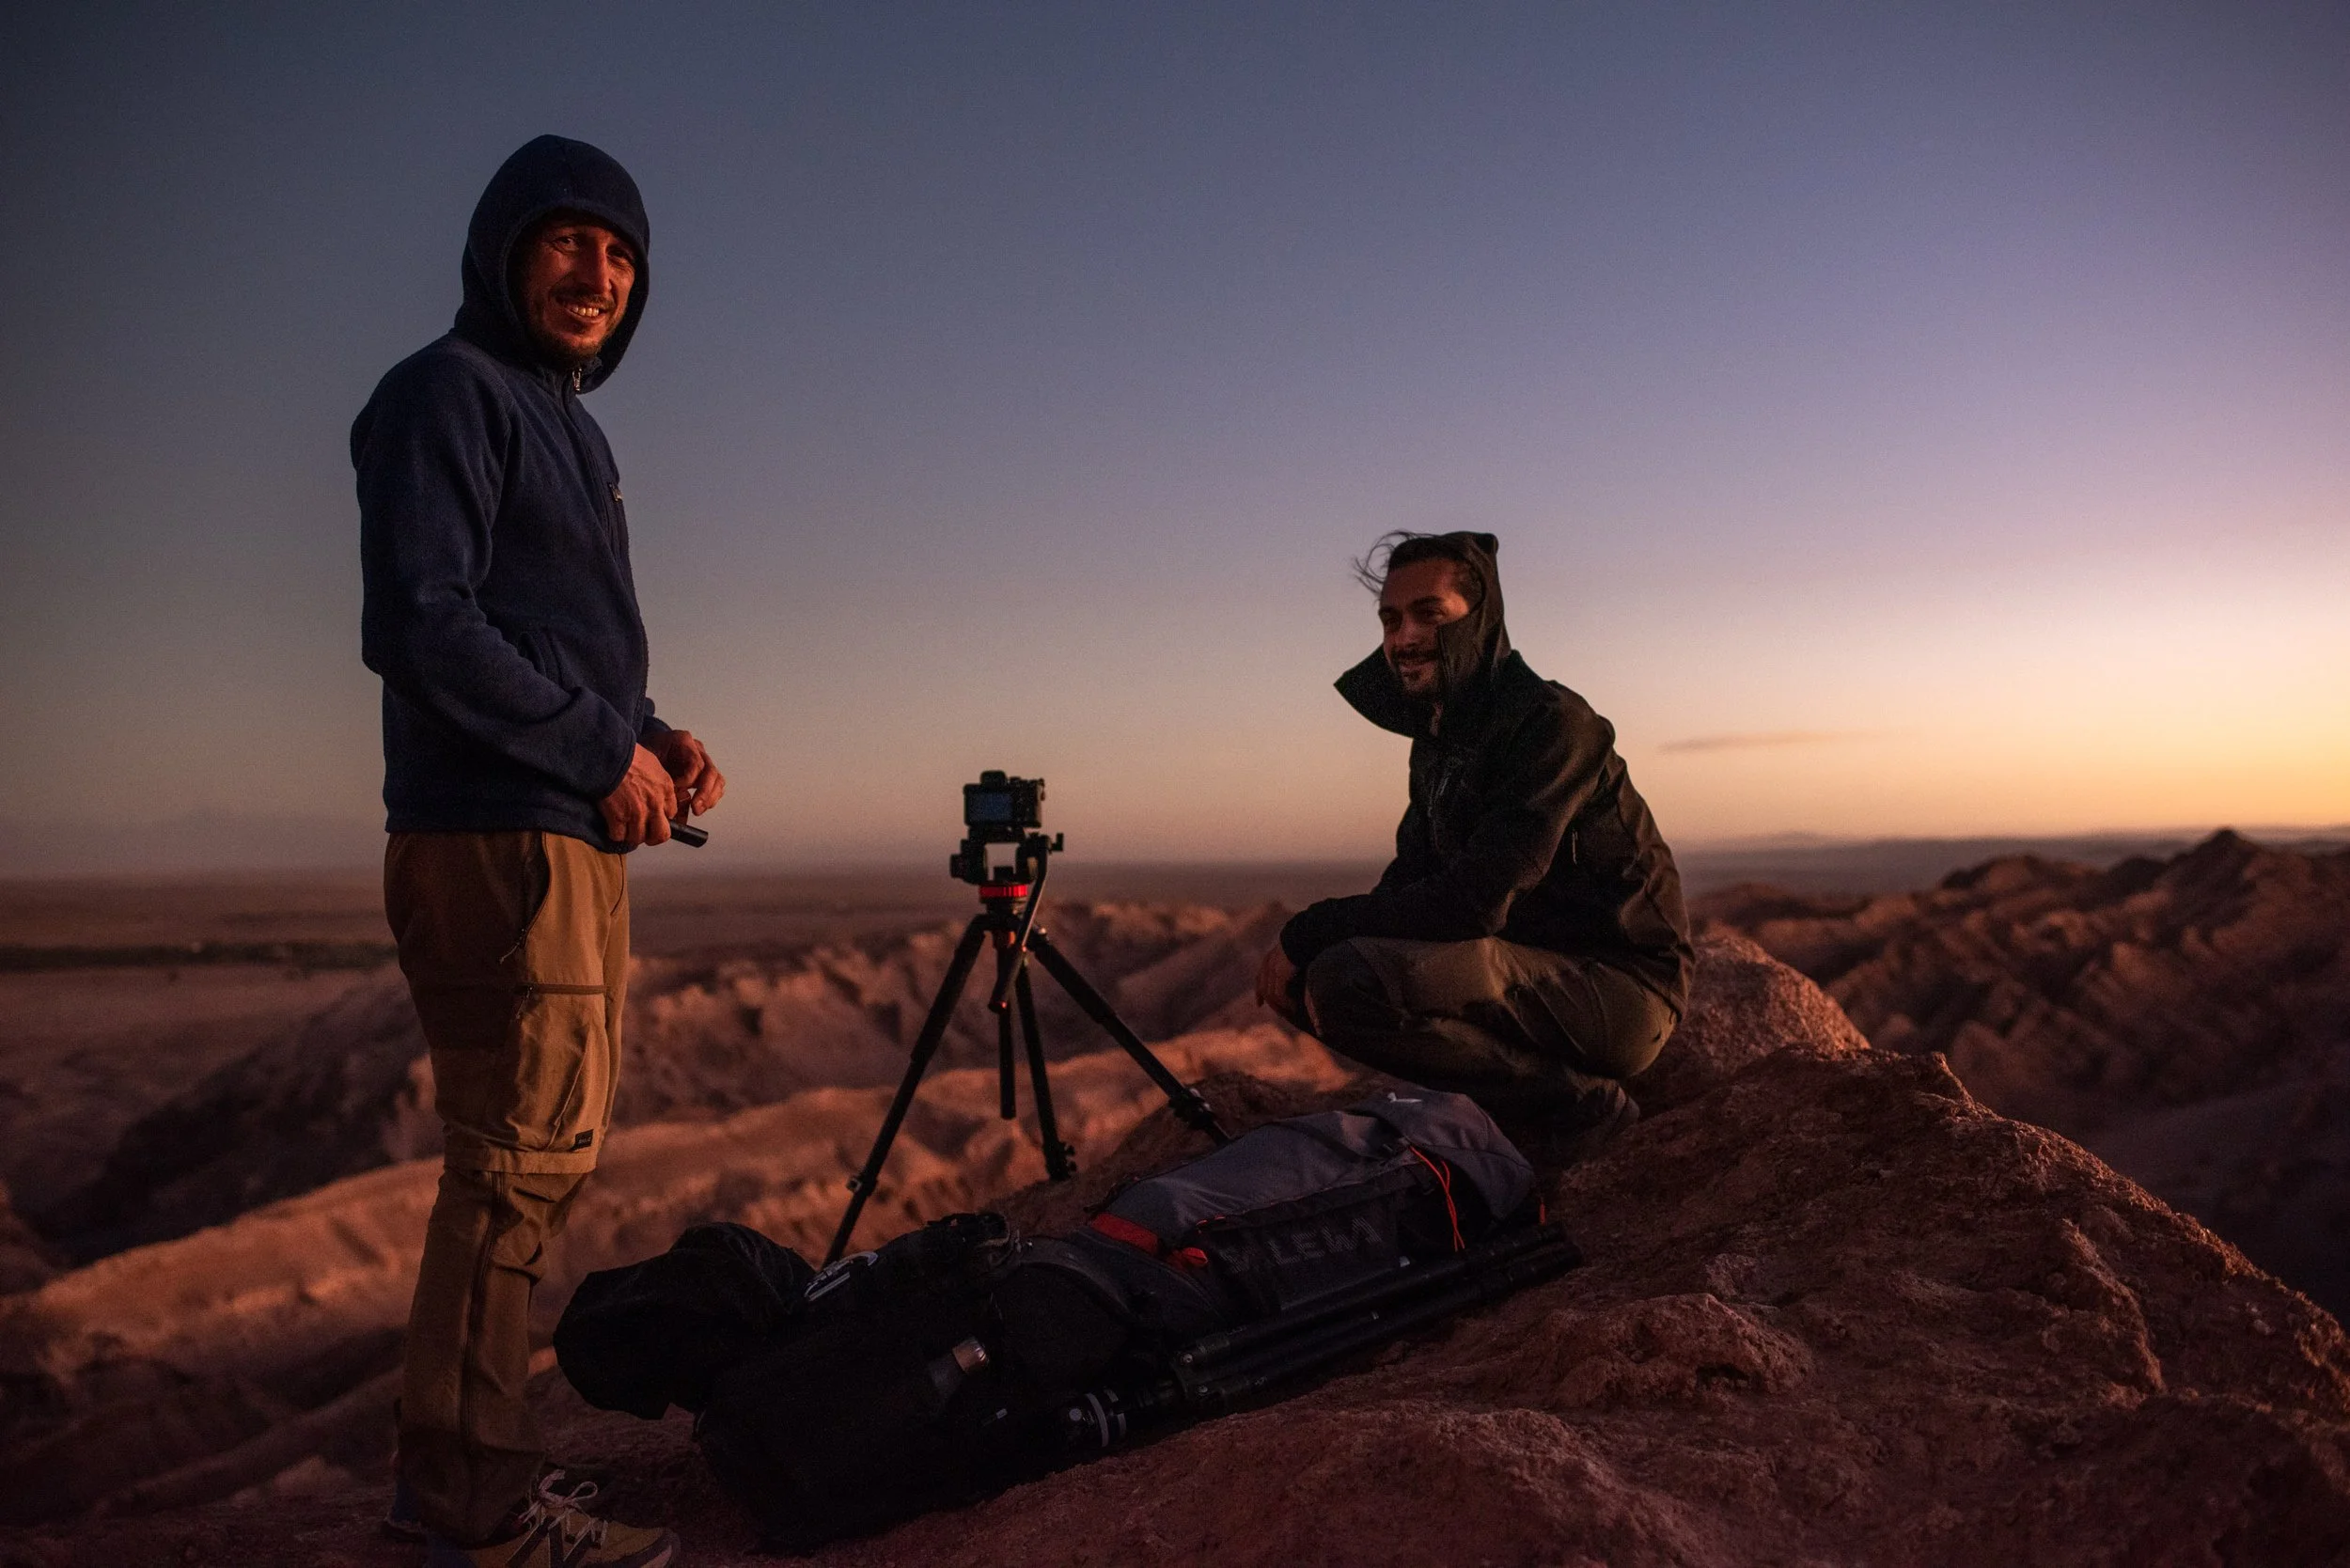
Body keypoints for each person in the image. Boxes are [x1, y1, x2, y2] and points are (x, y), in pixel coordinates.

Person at [353, 133, 719, 1568]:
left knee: (529, 1165)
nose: (599, 272)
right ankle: (471, 1516)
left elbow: (556, 641)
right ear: (503, 250)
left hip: (554, 831)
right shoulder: (448, 393)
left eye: (622, 255)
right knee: (512, 1170)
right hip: (502, 839)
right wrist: (592, 751)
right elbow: (423, 624)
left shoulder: (568, 423)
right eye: (569, 240)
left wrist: (658, 739)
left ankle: (468, 1491)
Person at [1254, 531, 1692, 1156]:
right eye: (1390, 619)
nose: (1402, 637)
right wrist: (1316, 944)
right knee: (1316, 981)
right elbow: (1411, 879)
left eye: (1428, 614)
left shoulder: (1552, 724)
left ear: (1479, 617)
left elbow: (1472, 905)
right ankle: (1516, 1104)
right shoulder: (1440, 740)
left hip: (1622, 988)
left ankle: (1579, 1108)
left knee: (1347, 979)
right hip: (1524, 969)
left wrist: (1308, 930)